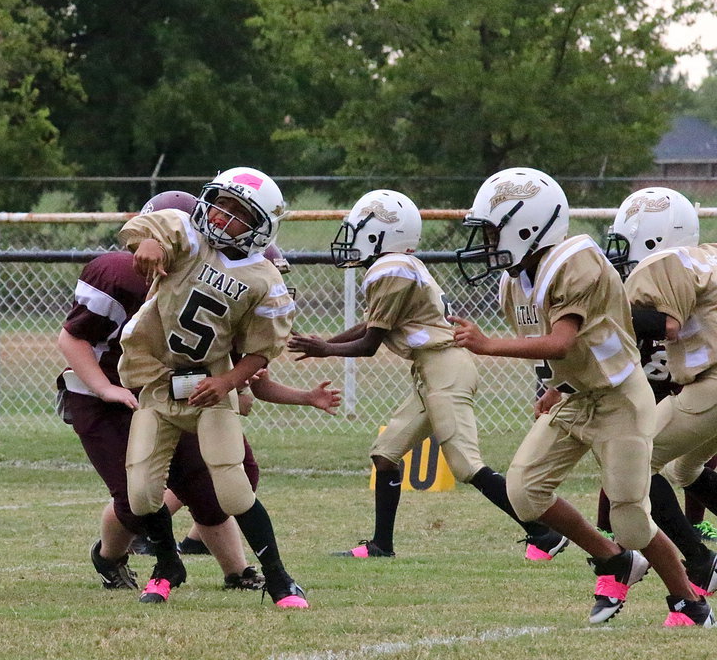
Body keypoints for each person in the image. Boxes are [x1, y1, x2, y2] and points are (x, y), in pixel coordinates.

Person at [450, 166, 712, 626]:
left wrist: (487, 344)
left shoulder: (576, 262)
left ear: (527, 227)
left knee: (630, 516)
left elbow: (563, 341)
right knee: (524, 492)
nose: (488, 245)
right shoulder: (515, 282)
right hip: (577, 396)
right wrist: (557, 387)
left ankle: (688, 600)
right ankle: (617, 561)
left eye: (493, 233)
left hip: (619, 399)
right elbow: (575, 351)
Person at [60, 190, 337, 593]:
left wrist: (235, 385)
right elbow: (73, 337)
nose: (222, 224)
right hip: (111, 389)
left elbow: (252, 367)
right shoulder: (127, 269)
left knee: (214, 485)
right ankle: (111, 558)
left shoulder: (242, 281)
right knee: (134, 495)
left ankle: (239, 572)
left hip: (185, 390)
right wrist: (105, 389)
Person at [288, 189, 566, 560]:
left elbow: (370, 343)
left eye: (359, 230)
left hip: (445, 368)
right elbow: (374, 324)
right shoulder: (400, 266)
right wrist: (324, 342)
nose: (351, 239)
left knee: (467, 465)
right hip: (432, 370)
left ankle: (544, 533)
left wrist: (325, 349)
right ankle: (381, 545)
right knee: (385, 453)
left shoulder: (391, 269)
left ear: (379, 235)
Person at [116, 167, 308, 608]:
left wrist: (227, 382)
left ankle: (279, 579)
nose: (221, 217)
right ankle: (167, 566)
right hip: (158, 381)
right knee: (141, 492)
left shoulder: (264, 280)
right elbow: (150, 226)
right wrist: (148, 243)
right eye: (221, 204)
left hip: (209, 382)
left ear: (260, 227)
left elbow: (262, 351)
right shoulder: (188, 236)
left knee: (234, 490)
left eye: (238, 212)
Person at [612, 187, 717, 596]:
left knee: (638, 459)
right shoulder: (705, 254)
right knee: (684, 469)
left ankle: (700, 561)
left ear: (652, 235)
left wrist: (605, 319)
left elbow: (666, 325)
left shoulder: (663, 261)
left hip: (712, 383)